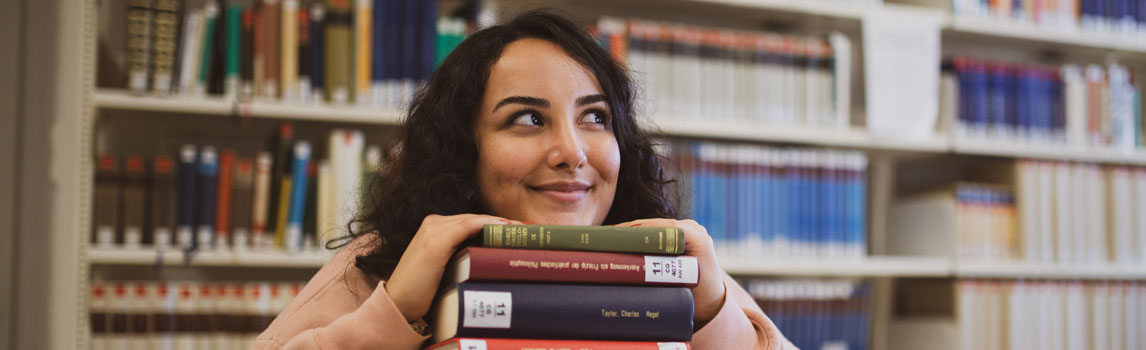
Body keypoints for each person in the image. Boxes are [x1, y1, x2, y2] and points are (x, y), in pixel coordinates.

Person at [253, 9, 794, 350]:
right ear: (463, 147)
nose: (572, 153)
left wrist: (713, 313)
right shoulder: (381, 264)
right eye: (528, 118)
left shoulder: (668, 261)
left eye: (595, 117)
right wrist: (393, 312)